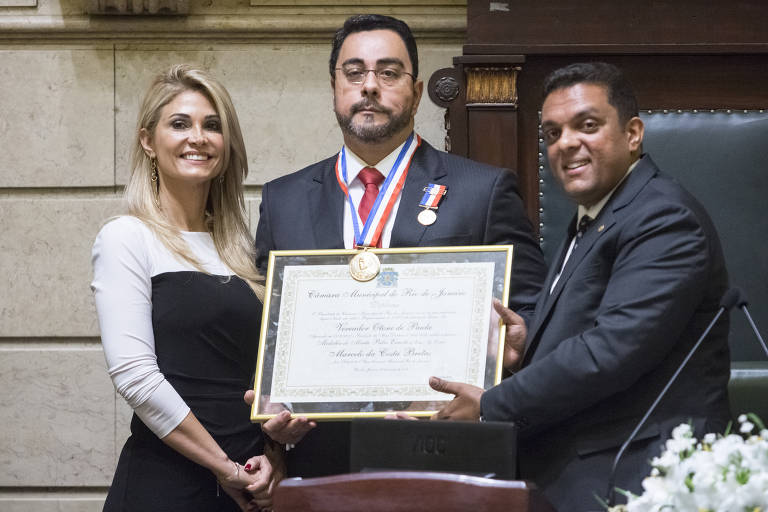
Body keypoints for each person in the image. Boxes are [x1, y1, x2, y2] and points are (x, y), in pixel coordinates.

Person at [252, 14, 547, 476]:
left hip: (445, 461)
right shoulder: (282, 199)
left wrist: (512, 353)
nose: (369, 86)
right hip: (320, 464)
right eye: (354, 72)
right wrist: (272, 417)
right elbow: (267, 332)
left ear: (415, 88)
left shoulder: (482, 191)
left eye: (389, 73)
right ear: (334, 85)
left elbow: (534, 312)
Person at [429, 62, 731, 511]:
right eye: (552, 134)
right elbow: (600, 326)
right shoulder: (597, 216)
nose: (567, 143)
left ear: (633, 134)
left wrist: (493, 404)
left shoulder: (663, 218)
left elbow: (610, 351)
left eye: (586, 126)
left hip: (637, 477)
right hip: (588, 468)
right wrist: (530, 344)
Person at [92, 65, 283, 511]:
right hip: (167, 487)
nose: (198, 137)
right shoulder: (127, 237)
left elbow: (263, 377)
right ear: (148, 141)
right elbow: (136, 379)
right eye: (179, 124)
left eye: (212, 125)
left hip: (250, 489)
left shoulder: (241, 250)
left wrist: (274, 458)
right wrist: (224, 467)